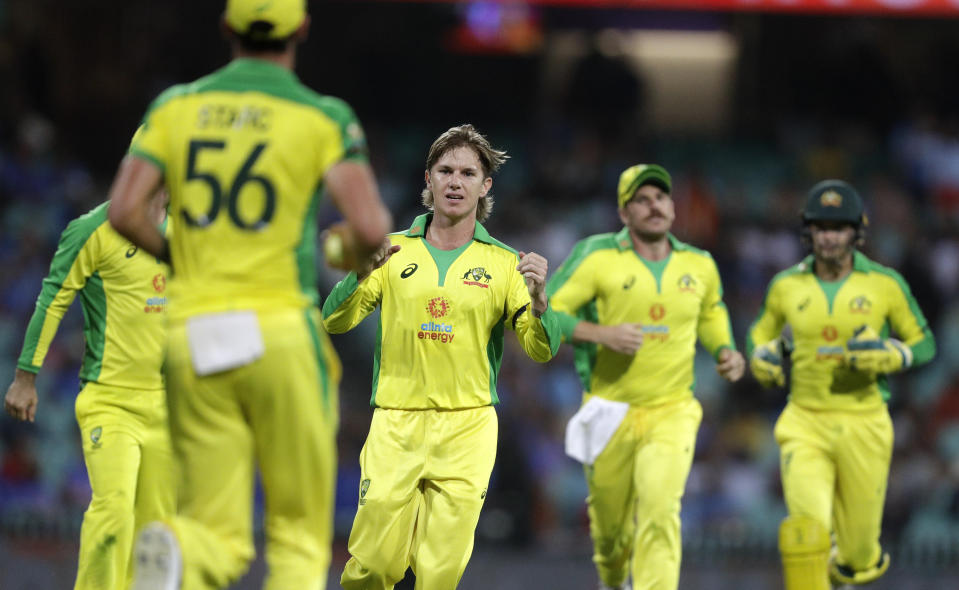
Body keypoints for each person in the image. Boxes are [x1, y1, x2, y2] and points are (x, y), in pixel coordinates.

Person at [106, 0, 392, 587]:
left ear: (227, 29)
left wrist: (182, 256)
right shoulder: (322, 116)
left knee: (218, 532)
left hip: (195, 332)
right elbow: (368, 229)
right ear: (303, 30)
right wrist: (352, 257)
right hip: (279, 332)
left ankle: (182, 550)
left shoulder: (175, 107)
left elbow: (125, 211)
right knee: (296, 535)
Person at [322, 123, 561, 590]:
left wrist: (539, 302)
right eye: (445, 170)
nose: (456, 181)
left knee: (440, 573)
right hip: (396, 422)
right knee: (373, 566)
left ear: (485, 185)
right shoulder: (390, 251)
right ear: (427, 179)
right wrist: (356, 274)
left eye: (468, 173)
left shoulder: (507, 264)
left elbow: (540, 349)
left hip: (468, 429)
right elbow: (335, 321)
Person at [547, 163, 745, 590]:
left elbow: (711, 311)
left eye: (660, 197)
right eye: (641, 199)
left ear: (672, 207)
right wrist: (601, 333)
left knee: (660, 510)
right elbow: (546, 316)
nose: (654, 206)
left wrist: (725, 349)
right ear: (624, 213)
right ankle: (614, 579)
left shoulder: (700, 264)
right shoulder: (596, 257)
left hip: (672, 409)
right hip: (607, 409)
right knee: (610, 534)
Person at [747, 180, 935, 590]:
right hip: (805, 421)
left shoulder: (884, 284)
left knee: (857, 557)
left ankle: (847, 568)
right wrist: (761, 356)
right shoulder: (786, 286)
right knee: (806, 532)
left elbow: (925, 344)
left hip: (864, 423)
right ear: (808, 230)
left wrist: (892, 355)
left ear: (857, 232)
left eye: (839, 227)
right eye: (821, 227)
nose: (829, 236)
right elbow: (760, 334)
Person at [4, 191, 174, 590]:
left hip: (169, 405)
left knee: (157, 530)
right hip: (110, 398)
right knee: (113, 512)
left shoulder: (187, 234)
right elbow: (53, 298)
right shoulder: (92, 229)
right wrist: (26, 376)